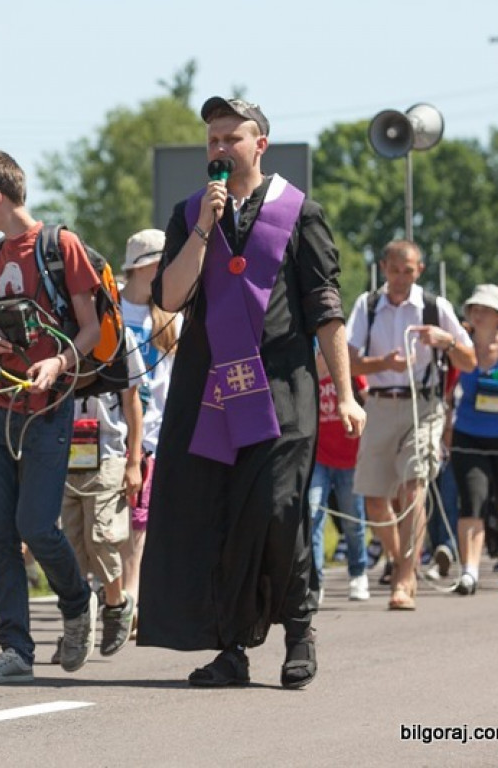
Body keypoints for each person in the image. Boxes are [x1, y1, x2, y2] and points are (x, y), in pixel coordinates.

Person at [139, 97, 365, 690]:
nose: (219, 149)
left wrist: (343, 392)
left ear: (259, 143)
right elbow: (169, 297)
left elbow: (325, 310)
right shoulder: (191, 213)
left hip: (282, 390)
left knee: (277, 512)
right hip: (209, 391)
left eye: (230, 139)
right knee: (220, 515)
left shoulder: (300, 213)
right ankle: (231, 648)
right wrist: (203, 230)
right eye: (212, 139)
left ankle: (299, 631)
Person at [0, 149, 101, 684]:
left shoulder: (60, 247)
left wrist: (58, 362)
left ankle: (77, 598)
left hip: (49, 409)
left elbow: (90, 329)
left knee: (36, 525)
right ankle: (16, 649)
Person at [347, 240, 474, 610]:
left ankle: (403, 579)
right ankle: (404, 558)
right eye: (394, 269)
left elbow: (468, 362)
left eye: (408, 270)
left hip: (424, 405)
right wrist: (382, 363)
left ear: (419, 270)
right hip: (380, 405)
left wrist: (446, 340)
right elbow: (351, 363)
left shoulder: (435, 307)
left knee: (414, 485)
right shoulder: (367, 305)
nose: (401, 277)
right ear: (384, 267)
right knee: (374, 501)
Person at [57, 344, 145, 659]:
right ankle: (76, 627)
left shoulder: (120, 337)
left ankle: (116, 604)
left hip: (107, 454)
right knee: (70, 546)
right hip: (65, 455)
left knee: (101, 537)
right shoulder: (60, 333)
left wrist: (134, 460)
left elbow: (132, 401)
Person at [118, 229, 178, 637]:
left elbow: (169, 382)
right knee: (100, 525)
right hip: (105, 431)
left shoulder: (171, 316)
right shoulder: (111, 309)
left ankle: (131, 599)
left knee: (138, 522)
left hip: (152, 434)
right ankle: (110, 596)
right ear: (144, 267)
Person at [308, 344, 371, 603]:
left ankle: (358, 573)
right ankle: (315, 580)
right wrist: (317, 372)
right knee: (312, 516)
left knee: (353, 519)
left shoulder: (349, 368)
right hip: (319, 457)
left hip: (349, 458)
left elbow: (369, 399)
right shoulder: (310, 368)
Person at [449, 284, 498, 595]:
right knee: (472, 500)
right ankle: (469, 571)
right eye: (473, 308)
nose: (477, 314)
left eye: (485, 309)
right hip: (468, 436)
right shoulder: (460, 350)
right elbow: (445, 390)